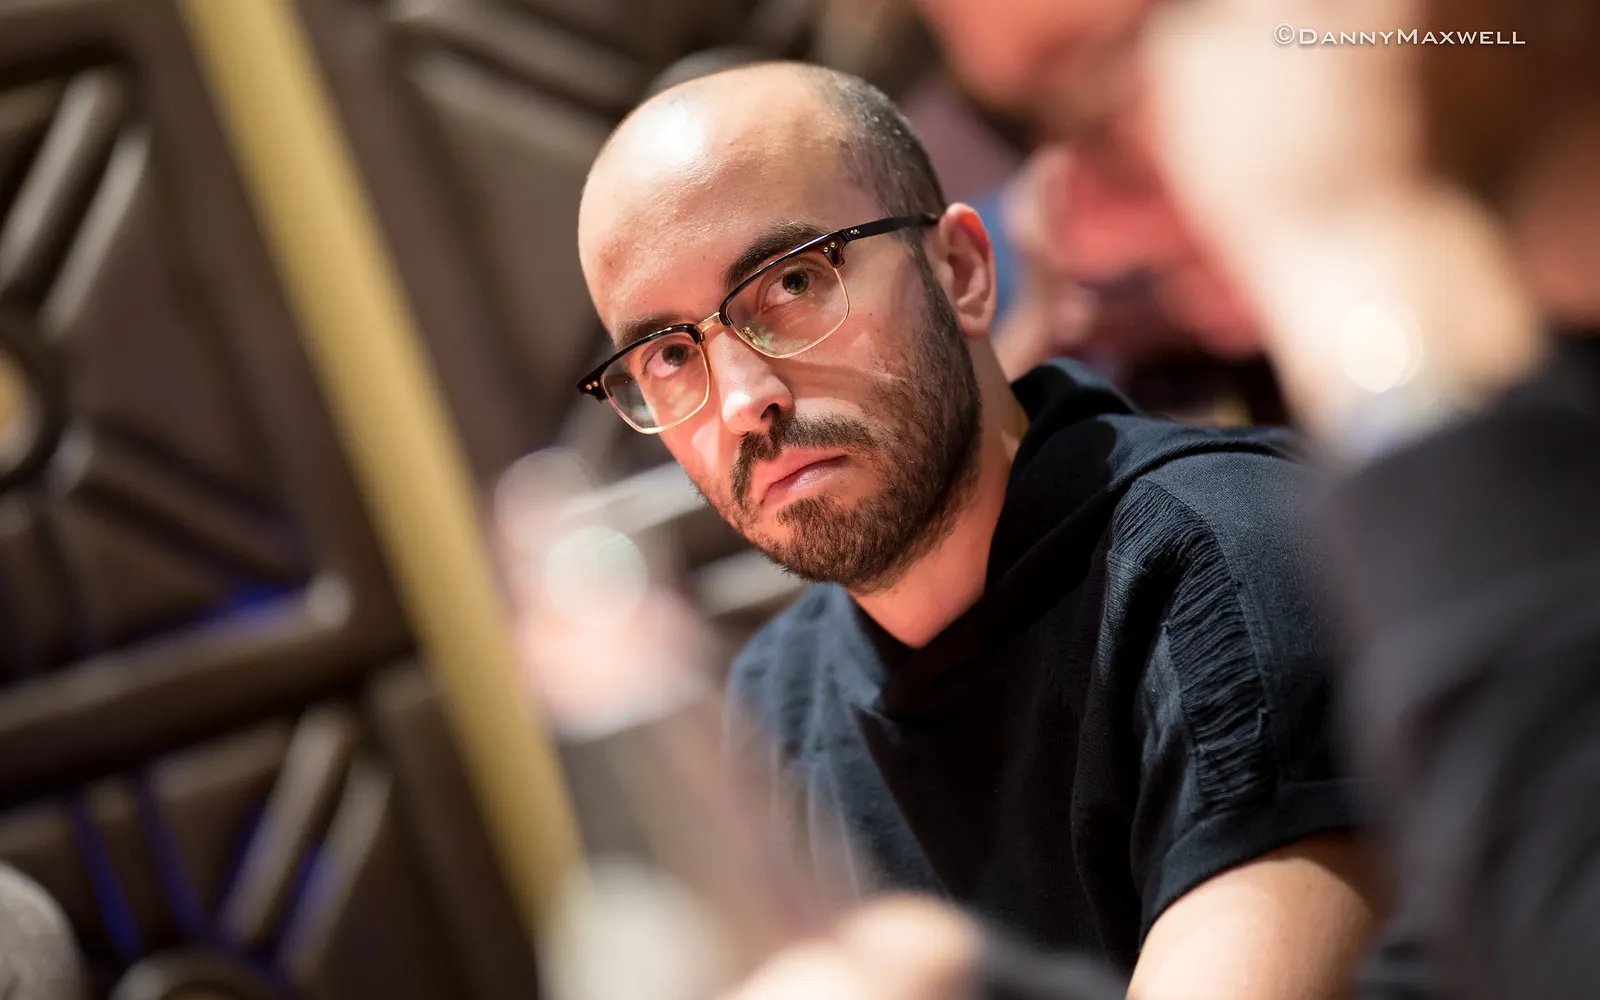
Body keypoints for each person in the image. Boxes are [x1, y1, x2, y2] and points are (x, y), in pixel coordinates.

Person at [570, 60, 1379, 996]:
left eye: (793, 282)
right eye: (668, 355)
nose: (745, 400)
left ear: (960, 271)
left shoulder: (1232, 562)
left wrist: (949, 975)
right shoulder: (770, 704)